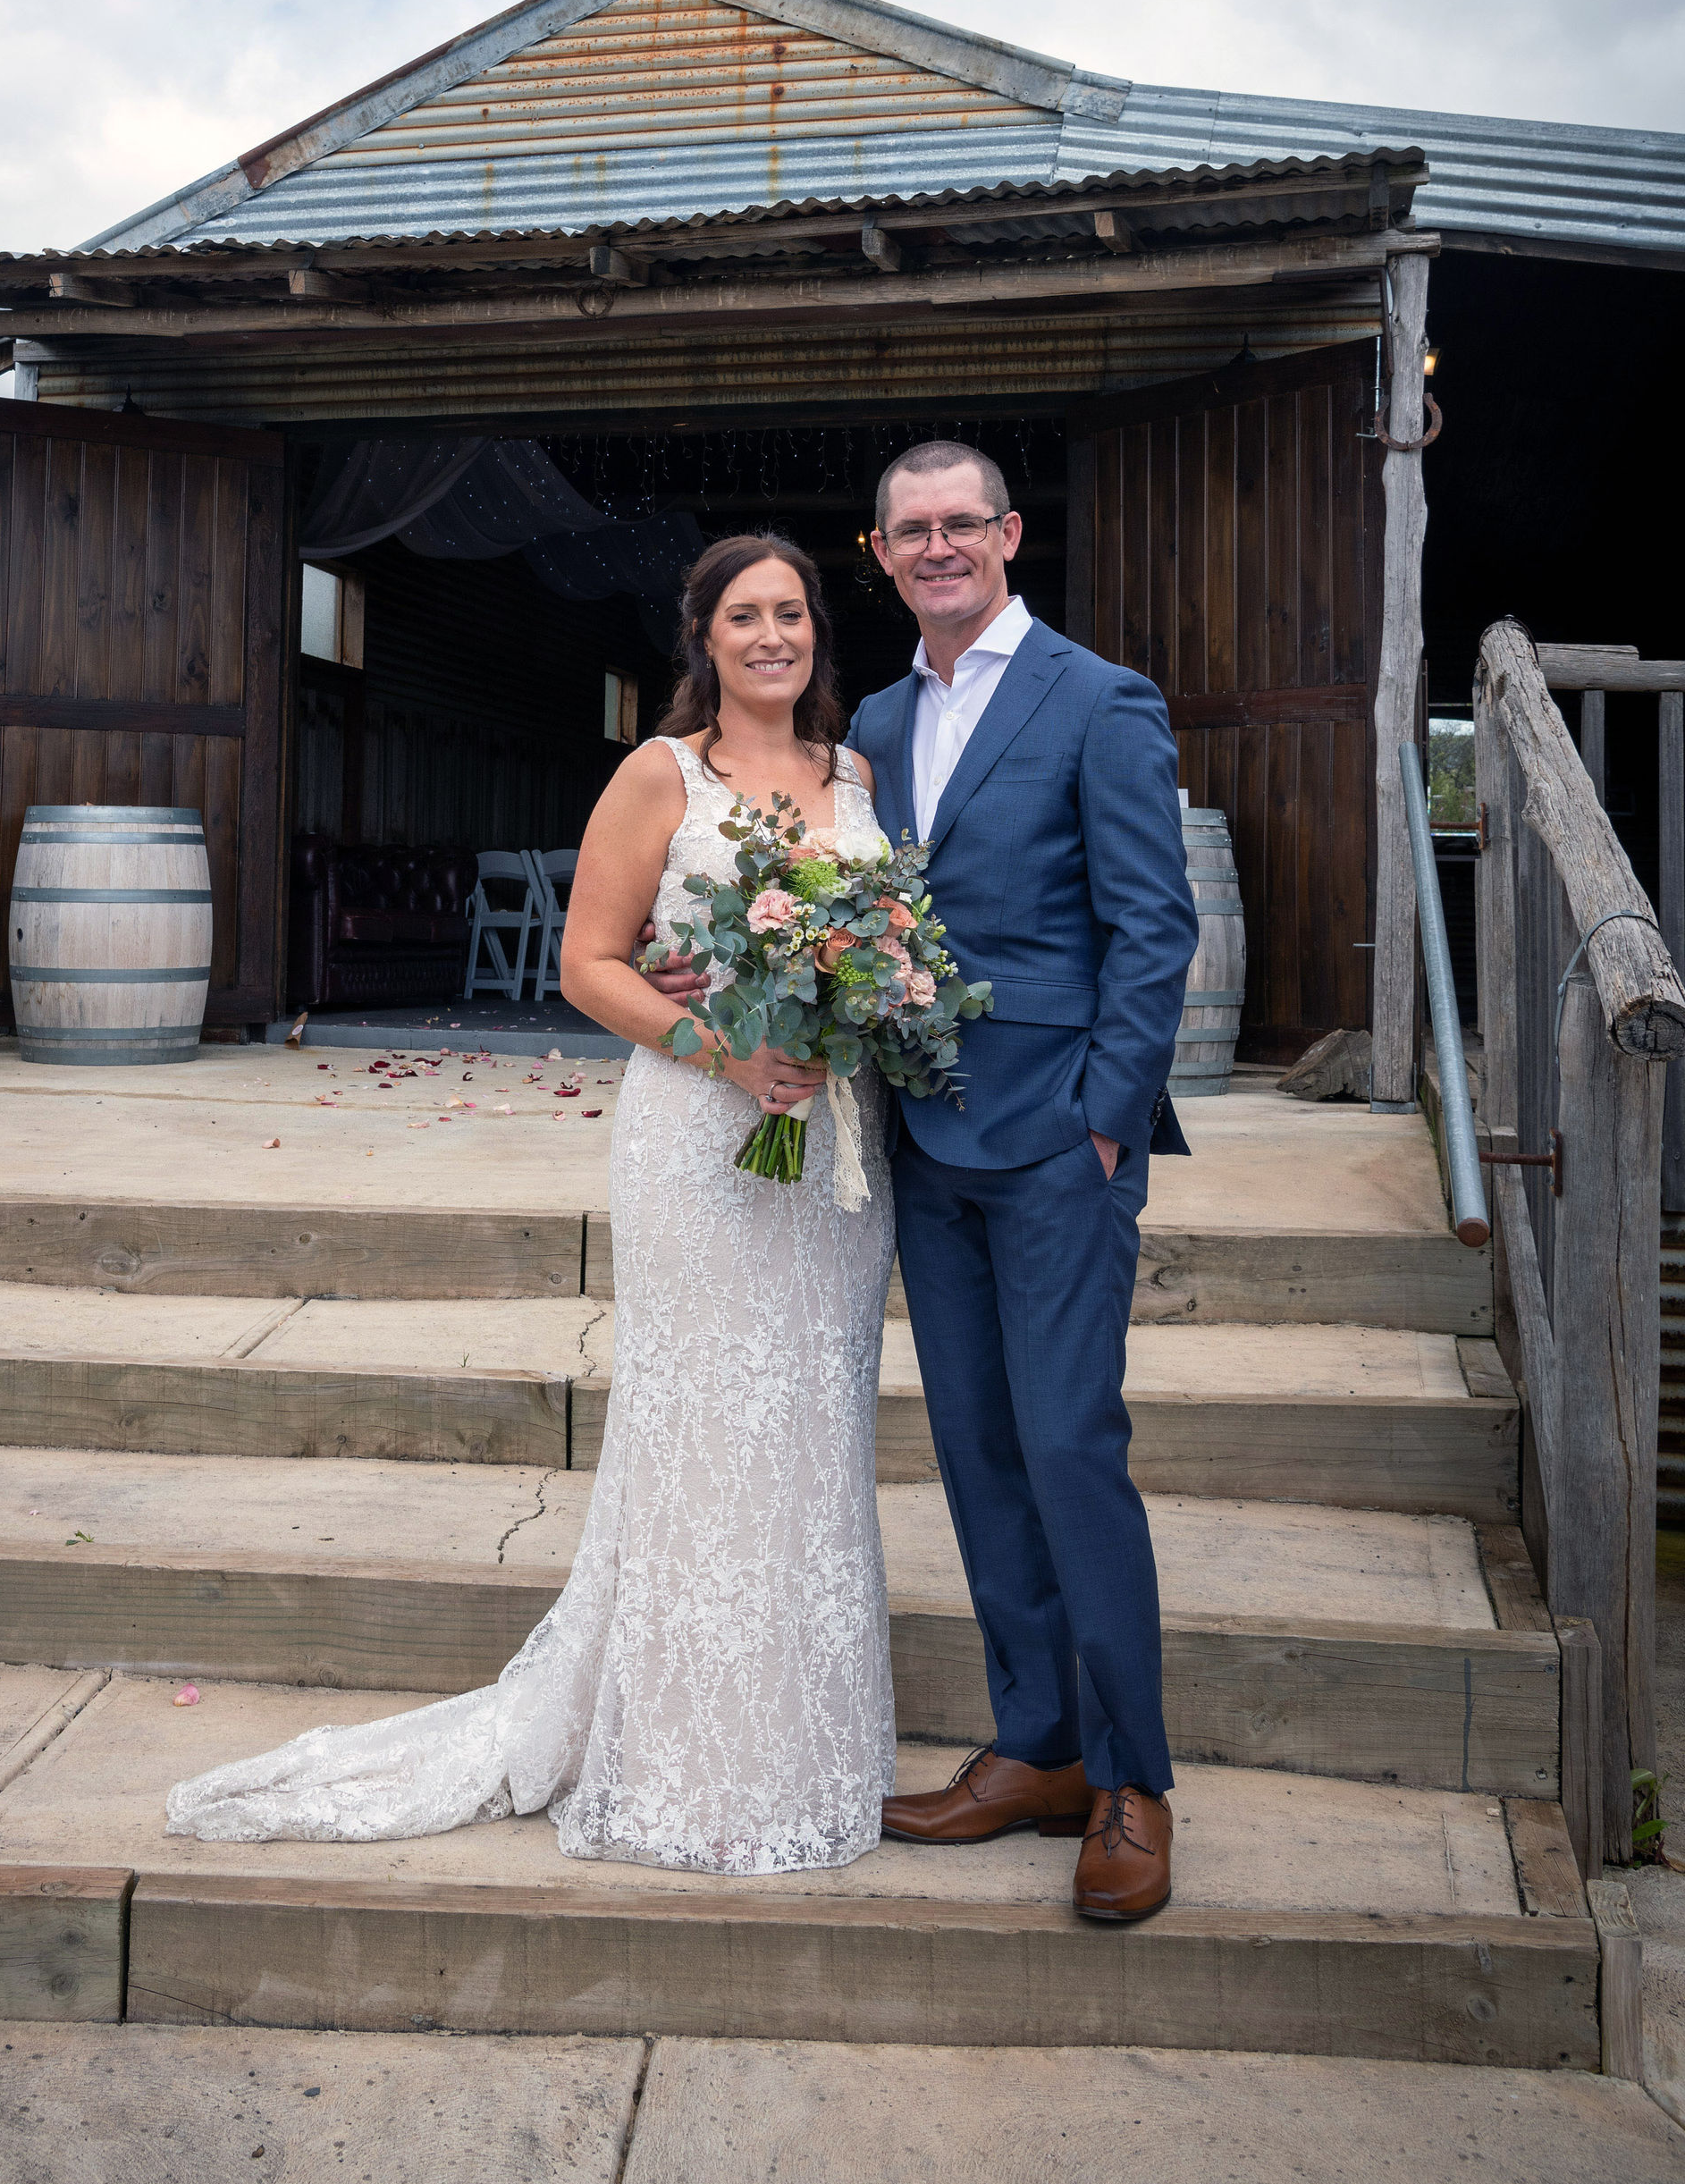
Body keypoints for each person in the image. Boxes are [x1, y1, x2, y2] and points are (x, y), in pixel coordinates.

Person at [164, 533, 898, 1874]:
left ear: (818, 635)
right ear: (705, 638)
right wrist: (724, 1048)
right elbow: (586, 963)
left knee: (811, 1416)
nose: (773, 635)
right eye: (746, 615)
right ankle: (684, 1755)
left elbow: (880, 943)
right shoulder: (658, 772)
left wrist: (859, 1001)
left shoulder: (855, 778)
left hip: (830, 1156)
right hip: (701, 1135)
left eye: (792, 613)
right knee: (703, 1419)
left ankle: (798, 1738)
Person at [828, 438, 1199, 1919]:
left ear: (1009, 536)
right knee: (977, 1451)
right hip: (926, 1141)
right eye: (908, 530)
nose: (936, 548)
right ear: (880, 553)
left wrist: (1105, 1122)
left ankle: (1133, 1783)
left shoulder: (1101, 700)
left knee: (1067, 1449)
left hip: (1056, 1142)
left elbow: (1152, 926)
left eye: (958, 524)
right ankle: (1037, 1745)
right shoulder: (871, 718)